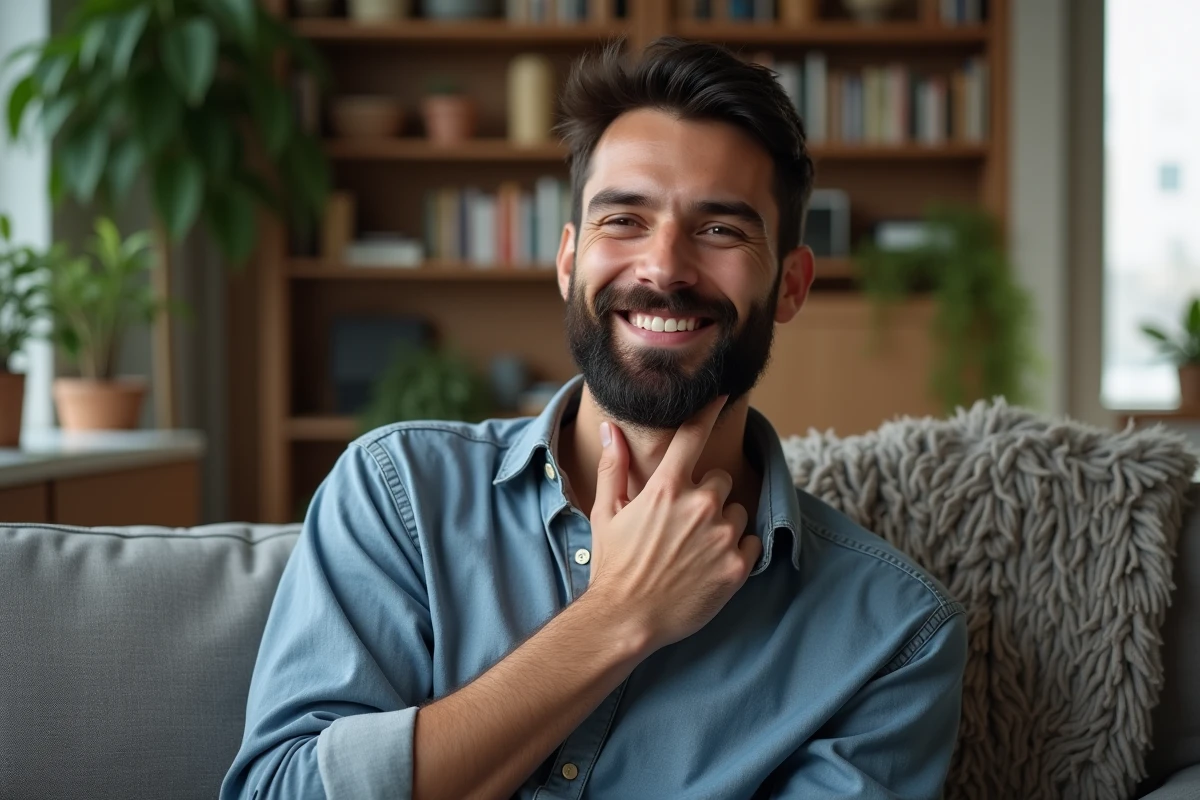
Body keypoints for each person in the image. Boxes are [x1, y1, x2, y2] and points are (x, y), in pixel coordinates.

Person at [222, 36, 967, 800]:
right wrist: (619, 614)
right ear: (568, 260)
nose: (664, 267)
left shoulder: (894, 638)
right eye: (624, 220)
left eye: (720, 229)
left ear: (790, 286)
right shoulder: (398, 492)